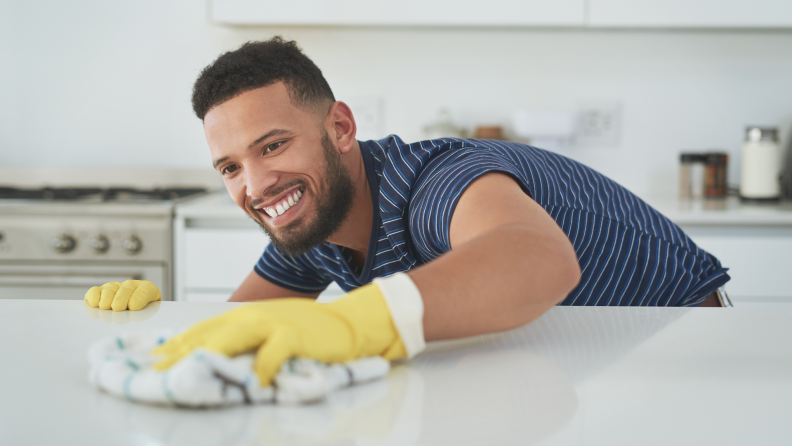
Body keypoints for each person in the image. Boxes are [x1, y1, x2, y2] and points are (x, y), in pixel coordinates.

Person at [85, 36, 730, 386]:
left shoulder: (432, 189)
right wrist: (168, 323)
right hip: (574, 360)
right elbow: (240, 331)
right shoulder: (314, 220)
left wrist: (355, 322)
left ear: (340, 127)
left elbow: (540, 259)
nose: (254, 185)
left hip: (684, 359)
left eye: (273, 145)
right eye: (231, 168)